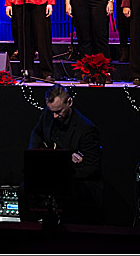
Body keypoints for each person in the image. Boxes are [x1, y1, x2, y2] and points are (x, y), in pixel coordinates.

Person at [28, 85, 103, 225]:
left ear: (69, 102)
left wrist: (61, 174)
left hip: (76, 178)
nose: (55, 116)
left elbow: (92, 168)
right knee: (24, 189)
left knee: (68, 194)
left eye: (59, 111)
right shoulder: (48, 114)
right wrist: (34, 155)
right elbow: (36, 133)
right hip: (53, 175)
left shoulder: (87, 129)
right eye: (52, 112)